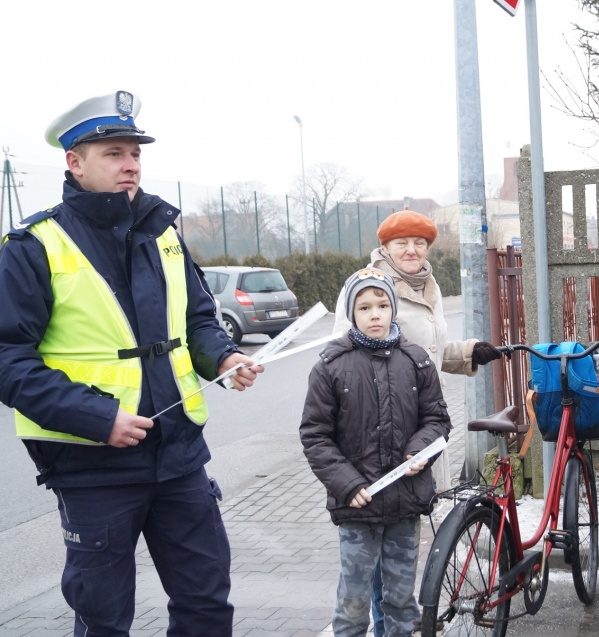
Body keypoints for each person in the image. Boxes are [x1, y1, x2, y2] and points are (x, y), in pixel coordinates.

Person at [0, 91, 263, 636]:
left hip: (180, 458)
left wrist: (225, 355)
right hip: (92, 467)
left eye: (135, 153)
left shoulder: (162, 233)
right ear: (74, 162)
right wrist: (98, 419)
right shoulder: (33, 246)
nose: (130, 165)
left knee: (207, 604)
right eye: (113, 153)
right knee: (104, 619)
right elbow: (7, 358)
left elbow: (198, 320)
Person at [332, 209, 500, 637]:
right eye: (402, 243)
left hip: (416, 433)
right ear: (385, 248)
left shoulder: (428, 285)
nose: (411, 250)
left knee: (399, 547)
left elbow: (425, 351)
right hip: (374, 439)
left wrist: (466, 352)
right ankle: (385, 626)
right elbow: (343, 356)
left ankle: (395, 626)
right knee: (371, 549)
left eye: (419, 243)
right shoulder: (366, 287)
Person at [301, 267, 451, 637]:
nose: (375, 314)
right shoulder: (330, 366)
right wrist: (348, 485)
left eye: (382, 305)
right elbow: (315, 436)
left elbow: (438, 421)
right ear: (352, 313)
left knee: (401, 600)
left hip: (405, 503)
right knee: (353, 602)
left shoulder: (416, 361)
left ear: (393, 309)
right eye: (365, 307)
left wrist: (420, 452)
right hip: (358, 506)